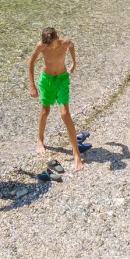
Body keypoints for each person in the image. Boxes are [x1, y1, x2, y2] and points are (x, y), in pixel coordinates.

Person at [26, 27, 81, 169]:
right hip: (46, 80)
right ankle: (40, 139)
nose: (49, 48)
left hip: (62, 79)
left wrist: (73, 64)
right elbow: (31, 62)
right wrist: (32, 86)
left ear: (57, 37)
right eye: (47, 45)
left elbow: (72, 46)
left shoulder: (65, 42)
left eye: (51, 45)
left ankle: (76, 153)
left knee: (65, 114)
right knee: (45, 112)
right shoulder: (41, 46)